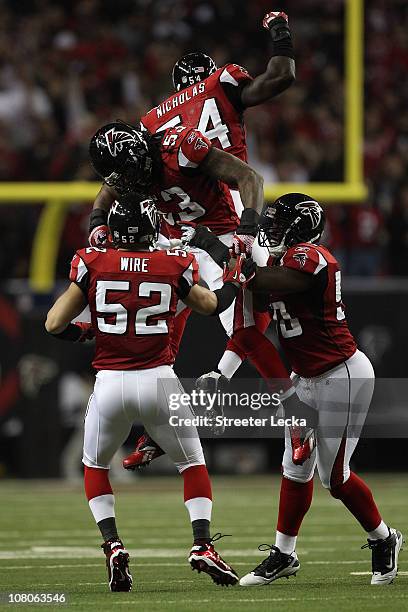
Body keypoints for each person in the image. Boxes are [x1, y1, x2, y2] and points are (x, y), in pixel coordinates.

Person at [89, 10, 298, 469]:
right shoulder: (206, 102)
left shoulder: (152, 125)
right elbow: (280, 77)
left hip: (189, 225)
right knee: (251, 318)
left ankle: (169, 418)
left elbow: (110, 186)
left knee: (173, 315)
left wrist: (97, 223)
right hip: (219, 214)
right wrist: (278, 27)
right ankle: (288, 412)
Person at [188, 193, 403, 587]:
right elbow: (251, 319)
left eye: (278, 222)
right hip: (305, 378)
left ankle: (384, 538)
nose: (270, 228)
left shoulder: (313, 256)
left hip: (343, 375)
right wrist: (223, 369)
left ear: (300, 228)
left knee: (334, 477)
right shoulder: (282, 258)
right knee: (295, 468)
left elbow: (266, 280)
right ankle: (284, 554)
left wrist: (219, 251)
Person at [45, 195, 256, 591]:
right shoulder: (171, 264)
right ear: (149, 228)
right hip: (159, 379)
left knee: (94, 465)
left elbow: (54, 323)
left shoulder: (92, 262)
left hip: (109, 381)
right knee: (191, 463)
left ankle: (112, 545)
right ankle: (202, 544)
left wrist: (87, 332)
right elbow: (211, 306)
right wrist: (233, 281)